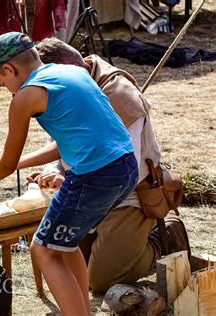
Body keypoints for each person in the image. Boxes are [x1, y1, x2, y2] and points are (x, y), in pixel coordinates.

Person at [0, 32, 138, 315]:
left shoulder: (25, 97)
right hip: (125, 167)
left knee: (42, 249)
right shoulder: (69, 72)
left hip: (94, 175)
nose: (8, 90)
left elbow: (4, 166)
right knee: (63, 244)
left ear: (9, 69)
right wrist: (17, 163)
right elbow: (61, 144)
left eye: (3, 84)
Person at [26, 37, 191, 293]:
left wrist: (72, 180)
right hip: (88, 189)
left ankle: (166, 235)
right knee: (59, 254)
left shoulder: (119, 94)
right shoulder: (63, 88)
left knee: (103, 280)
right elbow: (65, 144)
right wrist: (53, 171)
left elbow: (128, 168)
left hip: (129, 194)